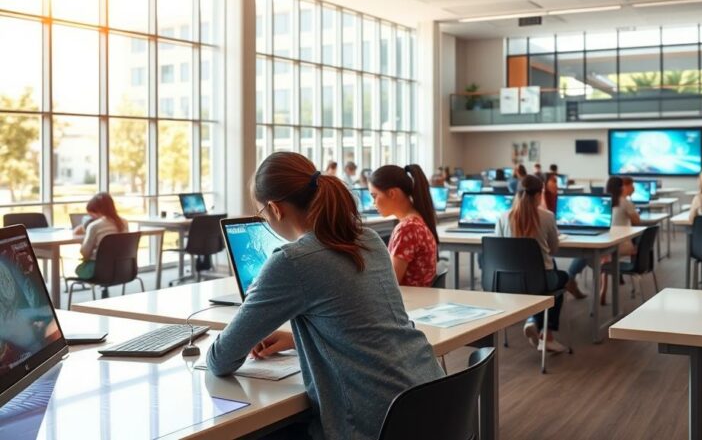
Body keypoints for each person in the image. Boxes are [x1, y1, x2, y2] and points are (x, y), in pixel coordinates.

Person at [206, 152, 443, 440]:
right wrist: (297, 339)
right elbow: (370, 323)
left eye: (262, 214)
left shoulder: (293, 260)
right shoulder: (368, 240)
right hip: (431, 402)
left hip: (377, 424)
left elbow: (221, 359)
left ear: (276, 209)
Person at [495, 175, 569, 353]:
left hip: (508, 282)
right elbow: (553, 249)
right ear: (538, 195)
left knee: (545, 278)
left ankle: (532, 319)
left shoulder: (503, 217)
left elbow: (499, 250)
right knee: (561, 278)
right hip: (540, 280)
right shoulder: (547, 217)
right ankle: (546, 335)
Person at [565, 176, 640, 304]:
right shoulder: (625, 202)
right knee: (598, 252)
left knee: (589, 250)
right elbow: (637, 222)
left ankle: (570, 278)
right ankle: (573, 280)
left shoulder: (604, 202)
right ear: (621, 187)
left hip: (609, 242)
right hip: (621, 243)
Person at [370, 164, 437, 287]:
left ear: (392, 193)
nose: (373, 203)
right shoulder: (417, 220)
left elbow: (391, 284)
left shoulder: (407, 228)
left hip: (408, 301)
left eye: (374, 196)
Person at [72, 193, 128, 279]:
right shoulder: (124, 222)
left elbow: (85, 254)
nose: (92, 217)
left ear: (98, 211)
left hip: (99, 270)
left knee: (79, 269)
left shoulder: (94, 226)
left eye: (92, 214)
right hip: (123, 268)